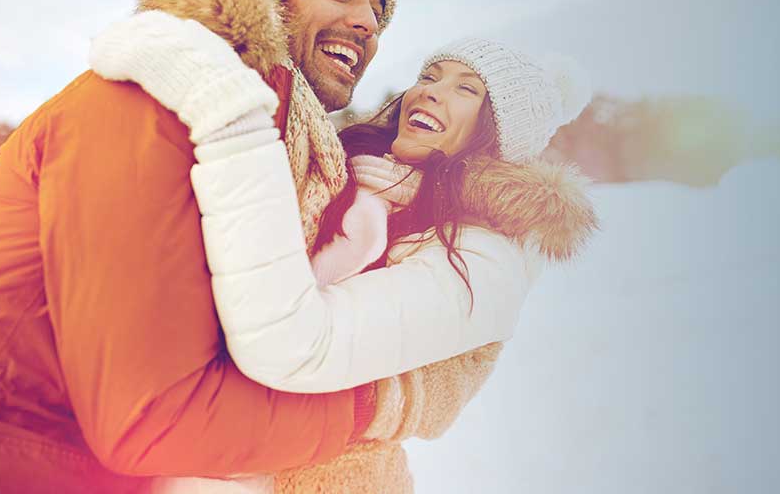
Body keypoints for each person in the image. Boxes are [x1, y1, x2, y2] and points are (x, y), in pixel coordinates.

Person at [0, 0, 423, 491]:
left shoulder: (269, 151)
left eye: (380, 13)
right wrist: (379, 408)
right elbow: (149, 417)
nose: (368, 24)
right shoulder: (156, 97)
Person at [92, 29, 597, 492]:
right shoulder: (349, 178)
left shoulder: (485, 257)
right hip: (205, 458)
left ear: (499, 135)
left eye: (467, 89)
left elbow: (298, 343)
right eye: (429, 75)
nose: (430, 91)